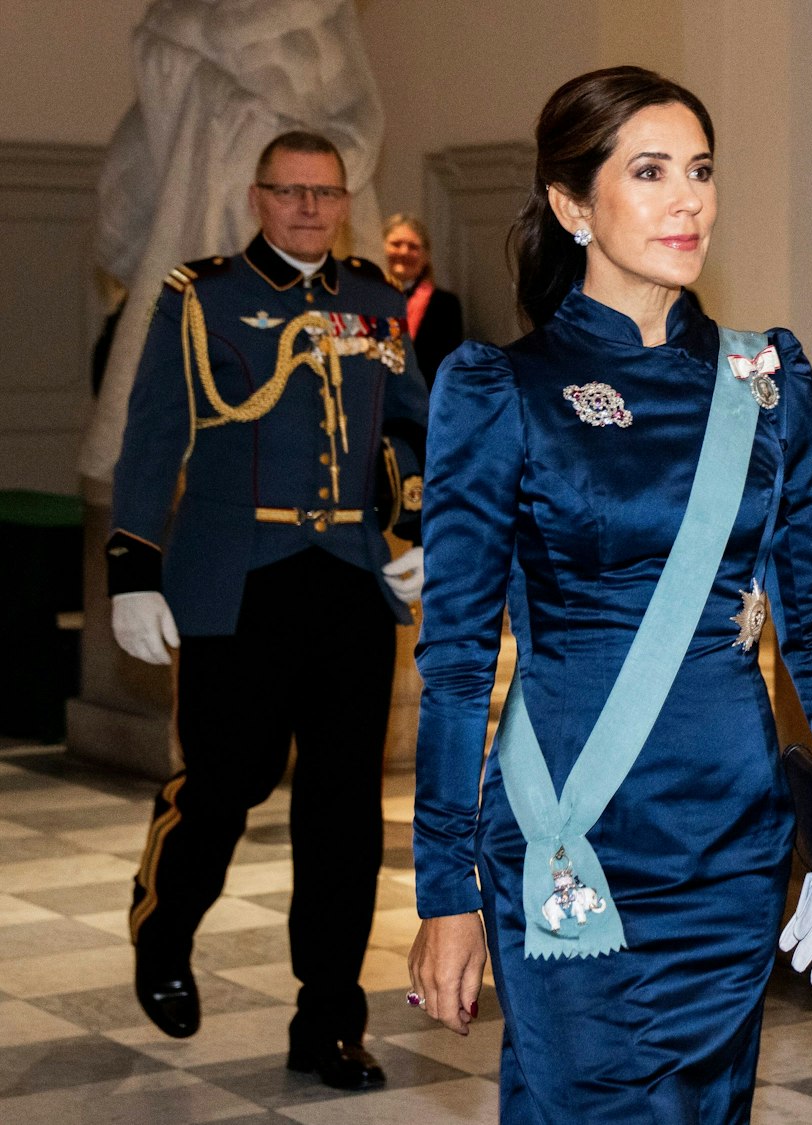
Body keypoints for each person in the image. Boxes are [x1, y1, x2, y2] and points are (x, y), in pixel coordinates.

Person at [404, 67, 812, 1124]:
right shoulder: (502, 389)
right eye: (650, 172)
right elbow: (453, 664)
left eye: (701, 171)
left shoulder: (767, 382)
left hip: (733, 843)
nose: (689, 201)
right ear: (571, 203)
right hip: (575, 834)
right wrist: (444, 891)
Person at [110, 130, 428, 1090]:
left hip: (350, 578)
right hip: (236, 575)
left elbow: (410, 422)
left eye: (325, 193)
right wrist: (133, 569)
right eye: (290, 192)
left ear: (346, 201)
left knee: (344, 811)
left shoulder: (375, 301)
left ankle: (328, 1020)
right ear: (257, 198)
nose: (308, 209)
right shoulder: (201, 297)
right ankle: (164, 921)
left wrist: (421, 525)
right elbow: (153, 433)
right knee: (225, 782)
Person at [382, 214, 465, 390]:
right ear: (382, 248)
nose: (404, 252)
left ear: (426, 256)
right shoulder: (366, 298)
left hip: (424, 400)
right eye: (396, 244)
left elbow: (447, 368)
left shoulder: (445, 305)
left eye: (413, 247)